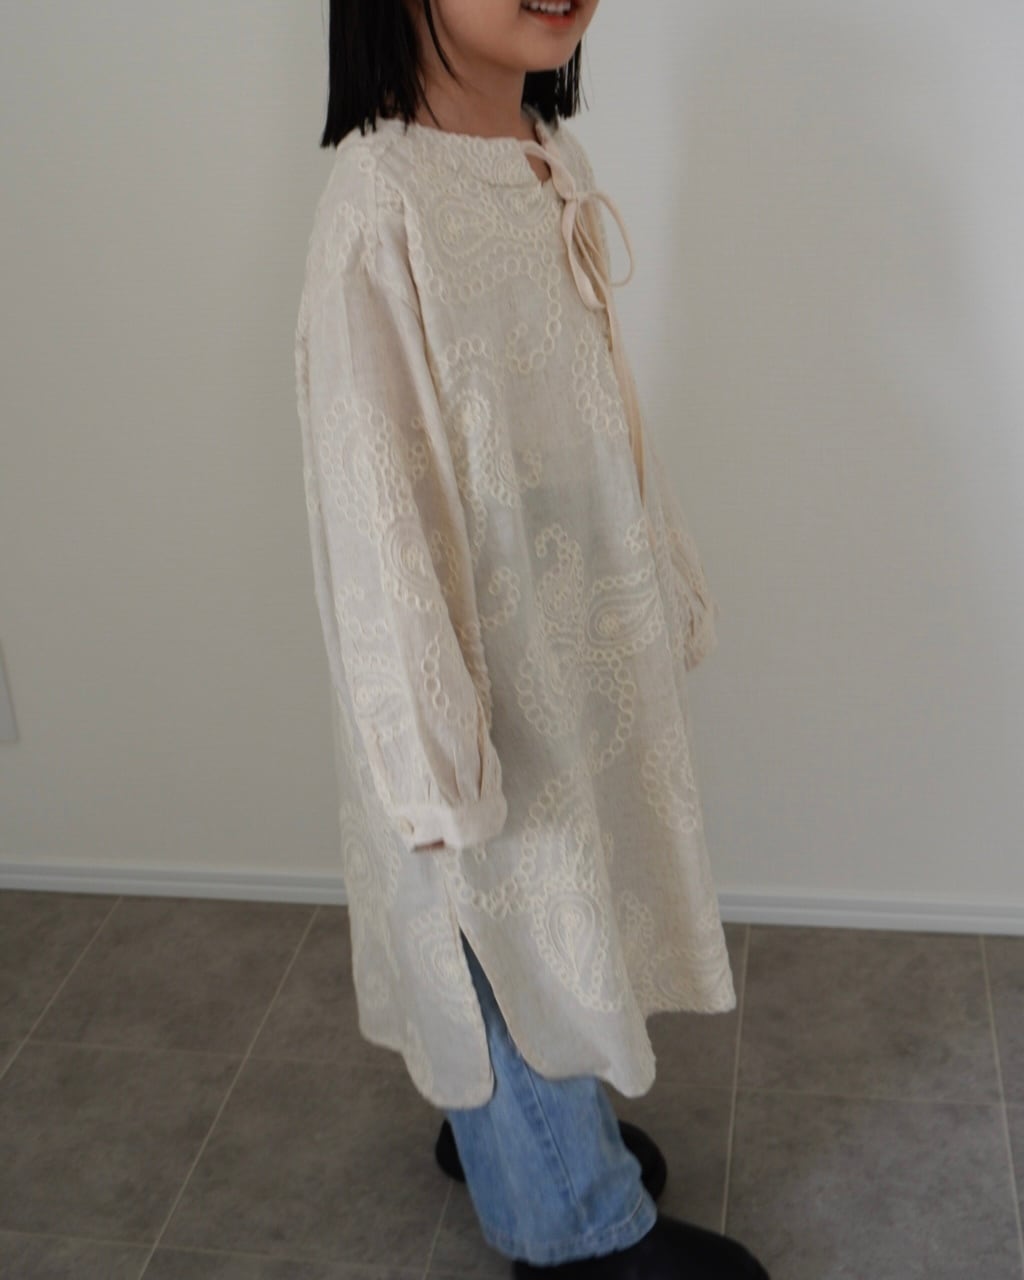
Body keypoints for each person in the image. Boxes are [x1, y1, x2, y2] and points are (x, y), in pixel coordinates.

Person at [294, 2, 770, 1276]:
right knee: (490, 891)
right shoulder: (382, 203)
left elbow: (595, 396)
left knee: (562, 890)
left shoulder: (548, 156)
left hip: (550, 607)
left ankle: (524, 1129)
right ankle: (567, 1214)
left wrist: (650, 561)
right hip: (462, 635)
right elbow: (374, 492)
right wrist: (428, 732)